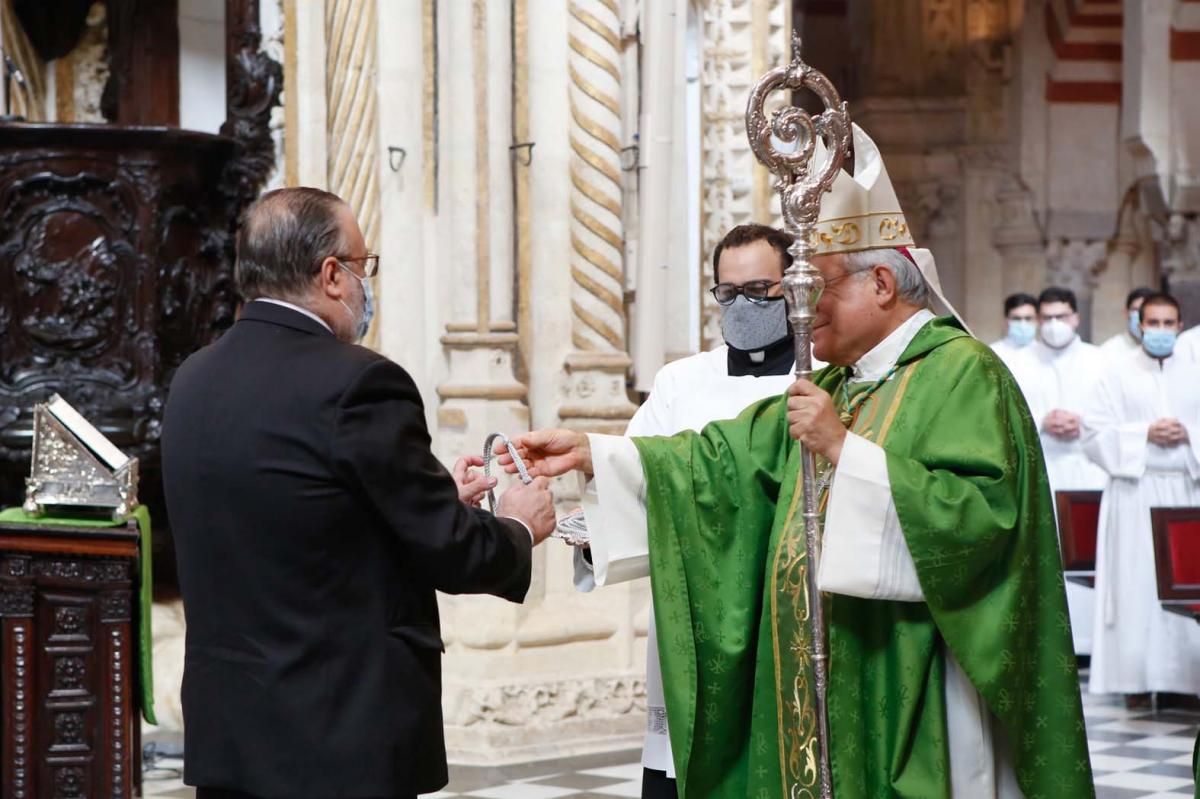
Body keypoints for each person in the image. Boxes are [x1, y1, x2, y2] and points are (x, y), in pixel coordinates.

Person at [502, 125, 1091, 798]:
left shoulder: (964, 373)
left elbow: (985, 522)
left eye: (822, 286)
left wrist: (845, 450)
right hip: (829, 679)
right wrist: (593, 452)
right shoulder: (843, 381)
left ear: (880, 283)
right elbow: (721, 462)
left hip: (916, 676)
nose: (803, 307)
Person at [161, 187, 557, 799]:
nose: (366, 284)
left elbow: (291, 515)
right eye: (363, 266)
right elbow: (451, 551)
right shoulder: (360, 382)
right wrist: (518, 525)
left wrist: (429, 494)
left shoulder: (193, 379)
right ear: (332, 275)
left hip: (233, 735)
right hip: (339, 739)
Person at [581, 223, 801, 799]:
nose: (741, 305)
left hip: (784, 608)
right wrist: (590, 532)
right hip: (696, 612)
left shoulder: (821, 378)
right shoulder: (680, 381)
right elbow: (636, 474)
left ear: (794, 288)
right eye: (727, 294)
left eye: (759, 290)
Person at [1082, 293, 1200, 705]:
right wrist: (1143, 434)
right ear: (1139, 325)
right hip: (1134, 491)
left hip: (1187, 491)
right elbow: (1092, 434)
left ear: (1180, 326)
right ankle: (1134, 681)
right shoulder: (1116, 373)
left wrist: (1190, 434)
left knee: (1186, 589)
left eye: (1170, 324)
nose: (1162, 331)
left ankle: (1186, 682)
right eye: (1154, 323)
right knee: (1135, 584)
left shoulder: (1195, 371)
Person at [1021, 286, 1107, 655]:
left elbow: (1113, 415)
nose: (1055, 325)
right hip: (1045, 470)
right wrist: (1042, 420)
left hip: (1089, 470)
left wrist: (1082, 421)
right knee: (1047, 556)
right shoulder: (1019, 361)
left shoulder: (1099, 360)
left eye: (1062, 317)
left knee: (1089, 558)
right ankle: (1050, 645)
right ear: (1039, 320)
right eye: (1048, 318)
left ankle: (1090, 645)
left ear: (1076, 318)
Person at [1098, 286, 1156, 358]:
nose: (1141, 315)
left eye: (1147, 310)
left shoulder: (1169, 350)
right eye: (1136, 310)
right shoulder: (1108, 351)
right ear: (1126, 313)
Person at [989, 291, 1038, 374]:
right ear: (1006, 321)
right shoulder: (992, 353)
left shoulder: (1045, 354)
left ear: (1037, 320)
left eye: (1028, 318)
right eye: (1017, 319)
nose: (1023, 324)